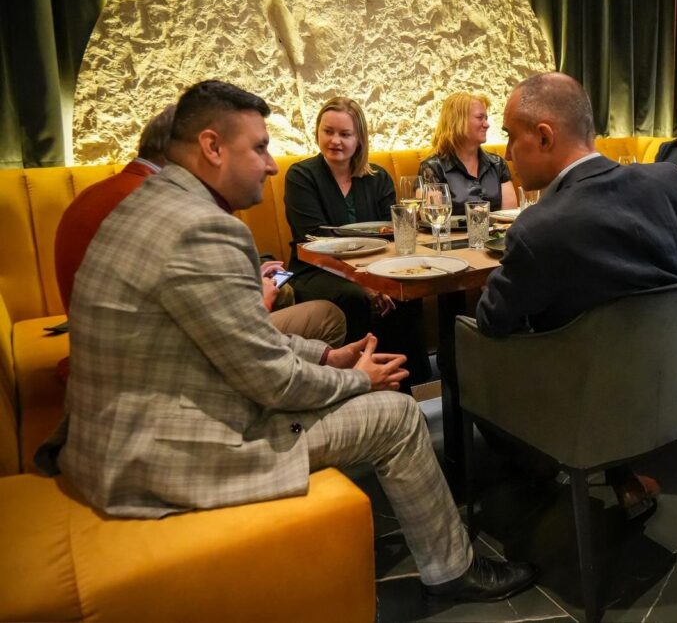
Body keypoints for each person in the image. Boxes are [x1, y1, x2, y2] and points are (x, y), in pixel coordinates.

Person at [36, 80, 535, 603]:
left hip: (113, 441)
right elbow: (272, 382)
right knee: (397, 414)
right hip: (163, 459)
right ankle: (454, 570)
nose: (272, 165)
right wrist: (356, 379)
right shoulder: (204, 230)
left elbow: (240, 335)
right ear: (212, 146)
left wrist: (327, 355)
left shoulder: (148, 207)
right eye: (259, 148)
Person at [478, 72, 677, 518]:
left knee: (462, 352)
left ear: (544, 136)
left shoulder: (538, 229)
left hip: (586, 406)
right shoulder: (666, 182)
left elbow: (492, 320)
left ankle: (534, 469)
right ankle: (620, 473)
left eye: (511, 136)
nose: (507, 152)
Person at [54, 104, 346, 350]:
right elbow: (218, 322)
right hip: (162, 357)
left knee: (285, 291)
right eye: (253, 150)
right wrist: (260, 295)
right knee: (327, 316)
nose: (269, 166)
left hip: (99, 348)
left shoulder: (95, 194)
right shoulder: (166, 205)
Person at [284, 96, 429, 388]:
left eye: (345, 134)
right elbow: (314, 239)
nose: (335, 140)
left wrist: (381, 279)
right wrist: (365, 283)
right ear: (318, 132)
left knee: (405, 292)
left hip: (374, 267)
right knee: (354, 296)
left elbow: (390, 233)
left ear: (359, 138)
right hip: (317, 270)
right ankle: (359, 386)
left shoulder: (378, 178)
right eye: (328, 131)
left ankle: (405, 386)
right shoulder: (301, 176)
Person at [419, 93, 516, 215]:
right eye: (480, 118)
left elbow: (509, 217)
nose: (487, 124)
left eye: (486, 118)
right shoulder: (433, 168)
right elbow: (434, 219)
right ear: (458, 121)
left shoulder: (497, 164)